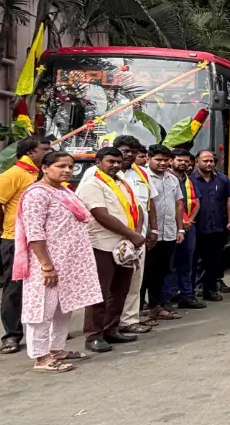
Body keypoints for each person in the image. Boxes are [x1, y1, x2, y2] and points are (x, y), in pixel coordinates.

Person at [13, 151, 103, 372]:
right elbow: (35, 233)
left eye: (70, 167)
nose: (67, 170)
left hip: (69, 262)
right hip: (47, 263)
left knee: (63, 308)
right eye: (61, 166)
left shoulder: (64, 191)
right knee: (42, 310)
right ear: (45, 168)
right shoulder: (37, 194)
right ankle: (41, 357)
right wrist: (46, 266)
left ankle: (57, 349)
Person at [0, 136, 50, 354]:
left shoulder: (45, 174)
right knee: (15, 288)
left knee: (45, 286)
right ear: (30, 152)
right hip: (16, 239)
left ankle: (43, 330)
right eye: (45, 149)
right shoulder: (12, 174)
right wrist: (3, 225)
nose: (49, 153)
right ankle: (12, 335)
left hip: (44, 239)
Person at [77, 147, 145, 353]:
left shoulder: (122, 182)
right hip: (102, 243)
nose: (115, 165)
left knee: (120, 290)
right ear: (98, 162)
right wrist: (132, 234)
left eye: (118, 161)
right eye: (110, 161)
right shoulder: (92, 184)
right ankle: (94, 335)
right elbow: (101, 214)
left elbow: (137, 208)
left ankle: (111, 329)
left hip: (125, 245)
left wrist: (136, 232)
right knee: (100, 292)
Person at [103, 136, 158, 335]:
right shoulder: (99, 174)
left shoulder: (143, 173)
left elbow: (150, 204)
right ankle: (104, 325)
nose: (129, 155)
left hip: (137, 238)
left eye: (133, 152)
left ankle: (128, 320)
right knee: (109, 283)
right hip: (109, 237)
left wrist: (153, 230)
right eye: (125, 151)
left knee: (134, 281)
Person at [140, 145, 184, 321]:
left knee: (162, 271)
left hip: (169, 232)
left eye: (166, 160)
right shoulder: (141, 177)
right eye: (158, 159)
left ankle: (156, 307)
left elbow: (178, 204)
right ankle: (138, 311)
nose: (163, 163)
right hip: (149, 233)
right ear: (148, 158)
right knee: (145, 273)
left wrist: (180, 229)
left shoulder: (172, 179)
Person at [164, 148, 205, 310]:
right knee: (169, 265)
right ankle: (168, 298)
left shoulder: (190, 180)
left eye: (186, 161)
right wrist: (181, 221)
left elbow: (197, 202)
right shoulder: (165, 179)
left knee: (187, 263)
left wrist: (190, 220)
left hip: (189, 227)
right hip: (170, 226)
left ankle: (187, 295)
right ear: (171, 161)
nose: (183, 163)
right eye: (179, 160)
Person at [191, 150, 230, 301]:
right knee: (195, 261)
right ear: (197, 162)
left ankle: (210, 290)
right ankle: (193, 291)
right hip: (197, 226)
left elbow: (228, 200)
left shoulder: (222, 179)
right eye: (205, 161)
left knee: (213, 260)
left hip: (218, 226)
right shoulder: (190, 180)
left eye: (211, 161)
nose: (209, 164)